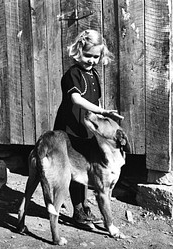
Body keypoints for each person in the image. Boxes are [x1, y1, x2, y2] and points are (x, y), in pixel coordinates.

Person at [54, 29, 123, 229]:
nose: (91, 60)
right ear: (78, 51)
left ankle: (85, 205)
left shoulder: (93, 74)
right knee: (75, 168)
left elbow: (96, 98)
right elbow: (76, 98)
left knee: (87, 166)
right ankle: (78, 210)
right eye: (87, 55)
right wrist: (101, 111)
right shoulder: (72, 74)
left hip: (87, 126)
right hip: (71, 126)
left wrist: (102, 118)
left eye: (96, 56)